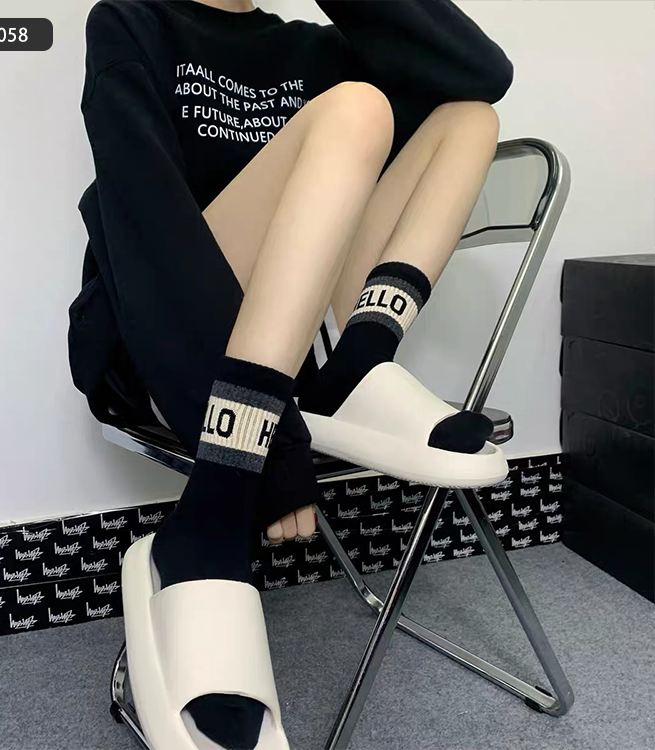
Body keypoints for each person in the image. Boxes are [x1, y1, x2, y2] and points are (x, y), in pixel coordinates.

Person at [68, 1, 513, 747]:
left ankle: (357, 365)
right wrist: (268, 445)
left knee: (468, 118)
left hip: (281, 362)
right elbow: (144, 223)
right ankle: (212, 513)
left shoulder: (315, 48)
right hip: (156, 337)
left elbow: (482, 72)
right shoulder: (131, 20)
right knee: (357, 110)